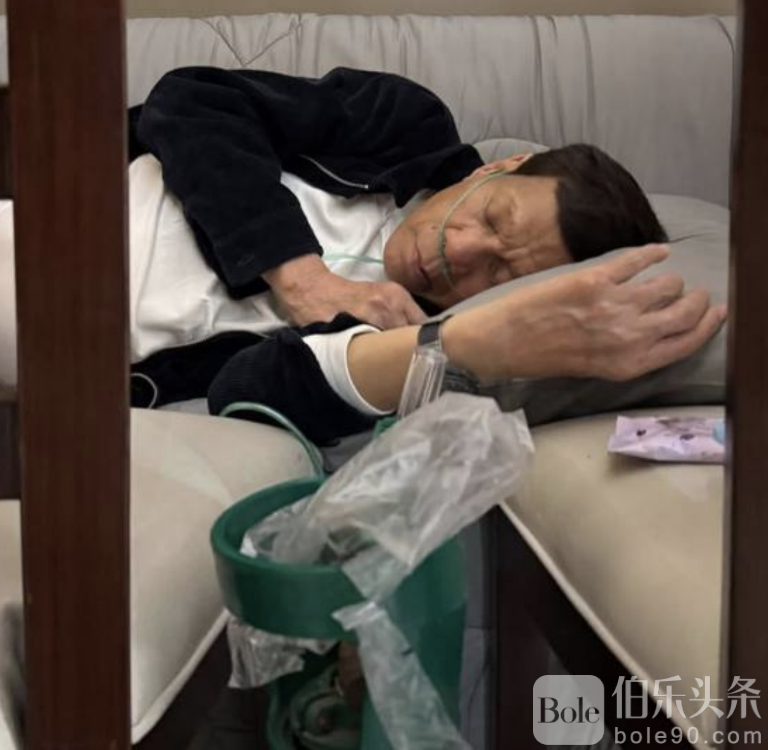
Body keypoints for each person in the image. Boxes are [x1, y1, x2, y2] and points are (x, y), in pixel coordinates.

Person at [128, 66, 725, 442]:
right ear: (499, 168)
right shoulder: (405, 127)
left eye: (500, 272)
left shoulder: (412, 336)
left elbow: (246, 396)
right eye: (492, 217)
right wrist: (304, 278)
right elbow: (192, 100)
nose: (456, 253)